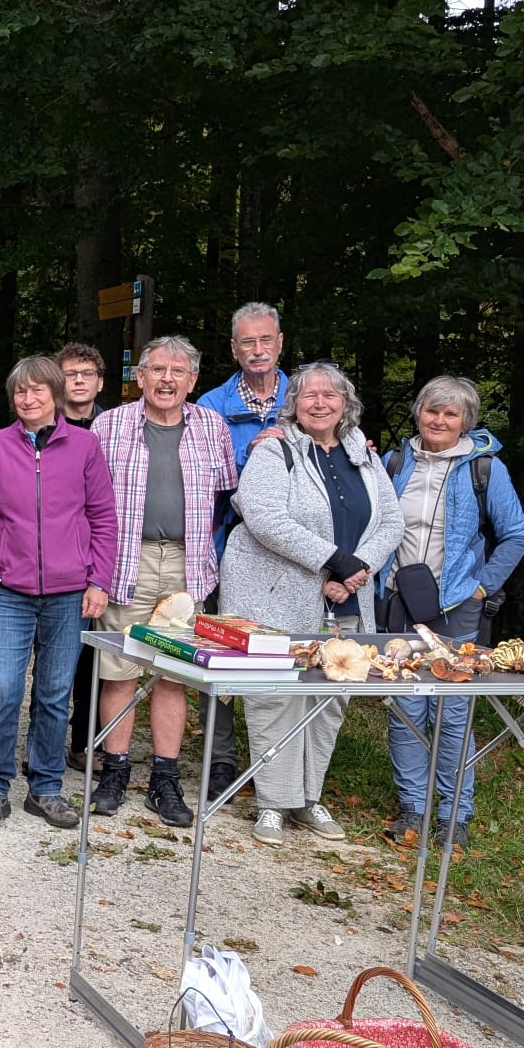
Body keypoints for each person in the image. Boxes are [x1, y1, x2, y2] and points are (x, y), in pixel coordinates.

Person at [220, 364, 403, 843]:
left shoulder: (363, 454)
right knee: (275, 697)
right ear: (294, 404)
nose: (320, 403)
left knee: (329, 698)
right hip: (275, 595)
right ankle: (273, 803)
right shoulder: (274, 449)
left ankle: (308, 799)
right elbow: (264, 518)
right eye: (309, 395)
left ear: (346, 403)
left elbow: (391, 523)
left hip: (346, 598)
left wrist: (356, 570)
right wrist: (335, 562)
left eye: (330, 395)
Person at [0, 357, 116, 829]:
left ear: (55, 394)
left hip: (69, 592)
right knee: (5, 689)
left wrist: (99, 580)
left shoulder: (85, 446)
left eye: (37, 391)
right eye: (20, 392)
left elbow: (103, 517)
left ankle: (46, 788)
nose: (28, 399)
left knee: (54, 692)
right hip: (8, 589)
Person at [88, 337, 239, 827]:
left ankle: (164, 779)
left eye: (178, 371)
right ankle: (114, 771)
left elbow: (225, 495)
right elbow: (89, 499)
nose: (167, 379)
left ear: (192, 380)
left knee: (174, 674)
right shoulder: (109, 425)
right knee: (119, 670)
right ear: (140, 376)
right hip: (125, 561)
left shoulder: (212, 427)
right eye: (157, 369)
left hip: (186, 564)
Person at [376, 376, 524, 845]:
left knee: (452, 712)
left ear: (466, 421)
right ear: (418, 413)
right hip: (400, 601)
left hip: (457, 605)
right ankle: (413, 809)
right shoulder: (394, 462)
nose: (439, 421)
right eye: (432, 411)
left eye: (451, 414)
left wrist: (482, 588)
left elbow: (516, 534)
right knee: (405, 707)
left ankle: (454, 815)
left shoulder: (485, 468)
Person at [196, 303, 291, 799]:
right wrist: (250, 455)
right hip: (228, 545)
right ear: (234, 349)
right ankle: (220, 760)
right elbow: (202, 476)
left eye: (265, 340)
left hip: (293, 556)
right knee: (224, 651)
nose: (258, 350)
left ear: (280, 343)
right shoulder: (211, 404)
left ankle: (275, 762)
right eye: (248, 342)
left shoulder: (308, 397)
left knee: (285, 654)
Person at [55, 340, 110, 766]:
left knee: (95, 656)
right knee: (54, 659)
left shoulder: (114, 429)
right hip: (57, 559)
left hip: (100, 554)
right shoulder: (43, 425)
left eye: (86, 374)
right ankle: (44, 743)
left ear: (100, 382)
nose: (78, 381)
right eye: (70, 374)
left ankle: (84, 740)